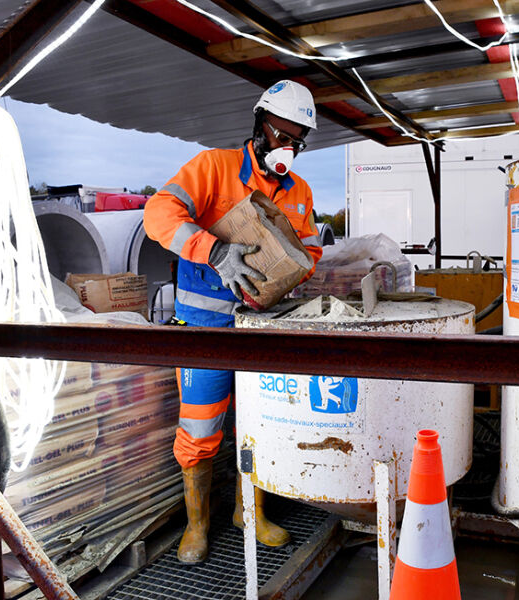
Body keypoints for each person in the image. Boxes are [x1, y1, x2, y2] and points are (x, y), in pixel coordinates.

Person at [143, 80, 323, 564]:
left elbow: (309, 248)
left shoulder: (299, 190)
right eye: (283, 135)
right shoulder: (213, 168)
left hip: (262, 331)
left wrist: (294, 272)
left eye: (298, 140)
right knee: (199, 432)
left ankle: (250, 511)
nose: (289, 148)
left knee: (260, 425)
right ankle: (198, 526)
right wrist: (214, 248)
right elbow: (158, 214)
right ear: (259, 125)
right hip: (205, 332)